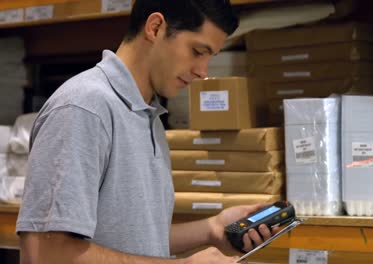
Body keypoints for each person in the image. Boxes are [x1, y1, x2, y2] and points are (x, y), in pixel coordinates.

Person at [16, 1, 275, 263]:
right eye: (197, 51)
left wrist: (212, 230)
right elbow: (45, 253)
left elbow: (134, 240)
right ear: (155, 27)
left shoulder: (147, 115)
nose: (203, 72)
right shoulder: (83, 108)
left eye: (210, 58)